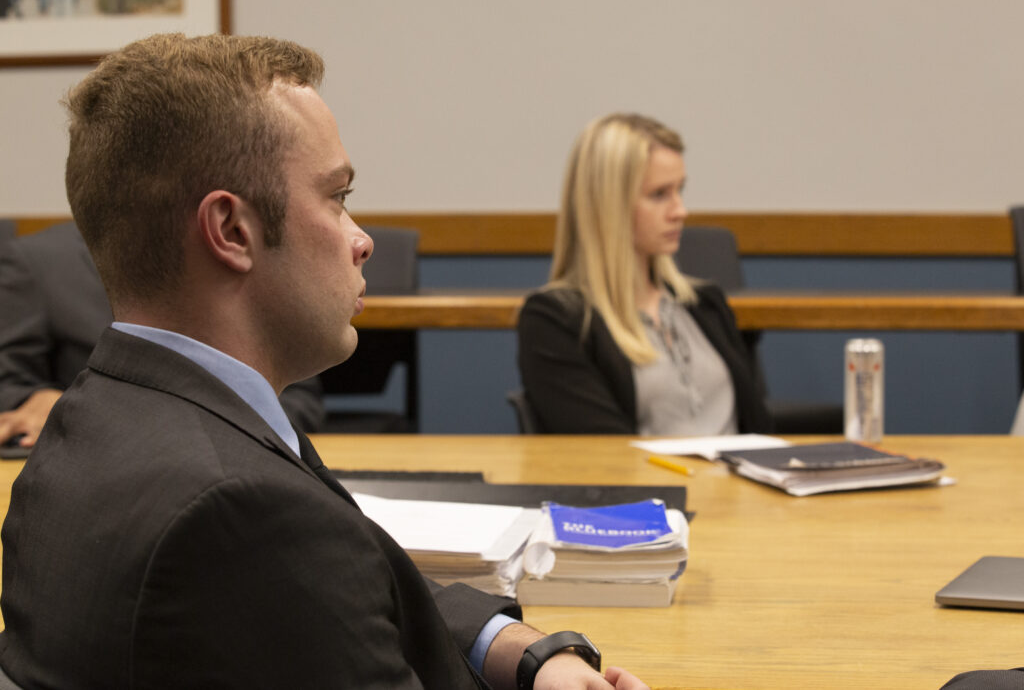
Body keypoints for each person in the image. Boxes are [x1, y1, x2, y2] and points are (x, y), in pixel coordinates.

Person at [0, 34, 648, 689]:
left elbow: (336, 587)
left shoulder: (93, 423)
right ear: (230, 230)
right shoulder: (240, 511)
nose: (361, 238)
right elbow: (303, 567)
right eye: (338, 197)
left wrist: (511, 645)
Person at [517, 113, 772, 435]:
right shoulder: (557, 320)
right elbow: (604, 457)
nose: (680, 211)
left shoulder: (704, 303)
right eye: (659, 194)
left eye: (680, 190)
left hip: (742, 484)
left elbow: (759, 431)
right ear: (608, 204)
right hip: (655, 486)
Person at [0, 221, 326, 448]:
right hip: (99, 475)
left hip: (248, 464)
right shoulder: (38, 263)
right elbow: (7, 382)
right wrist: (43, 400)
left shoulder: (247, 254)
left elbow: (301, 400)